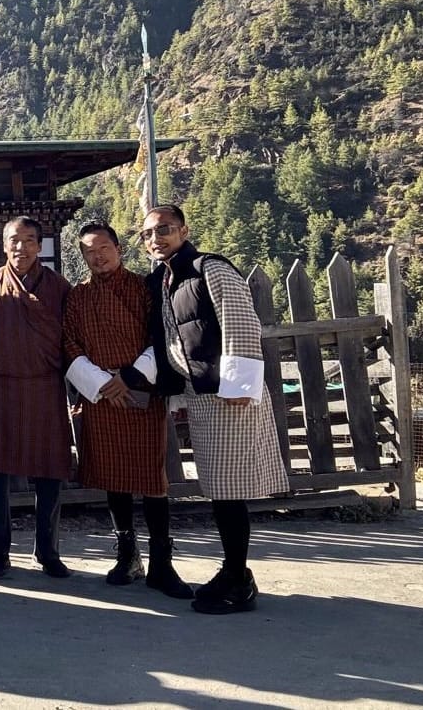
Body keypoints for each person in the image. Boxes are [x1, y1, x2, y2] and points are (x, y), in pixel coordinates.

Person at [132, 205, 289, 614]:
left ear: (183, 229)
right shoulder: (164, 280)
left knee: (229, 490)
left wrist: (238, 386)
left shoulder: (209, 270)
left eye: (163, 230)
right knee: (220, 488)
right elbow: (174, 341)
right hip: (201, 393)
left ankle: (237, 579)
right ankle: (235, 572)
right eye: (147, 234)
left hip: (228, 394)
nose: (155, 239)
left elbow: (240, 323)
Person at [62, 222, 192, 599]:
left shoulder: (145, 288)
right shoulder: (77, 296)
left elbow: (163, 336)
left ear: (118, 249)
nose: (97, 255)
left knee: (152, 479)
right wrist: (100, 383)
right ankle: (127, 555)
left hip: (140, 391)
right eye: (89, 250)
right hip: (101, 396)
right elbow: (68, 342)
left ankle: (162, 563)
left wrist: (130, 377)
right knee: (113, 477)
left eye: (104, 247)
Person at [0, 216, 74, 578]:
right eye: (14, 240)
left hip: (45, 385)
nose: (21, 247)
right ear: (4, 244)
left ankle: (48, 550)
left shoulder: (58, 286)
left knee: (49, 470)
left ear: (40, 246)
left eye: (29, 240)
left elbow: (69, 339)